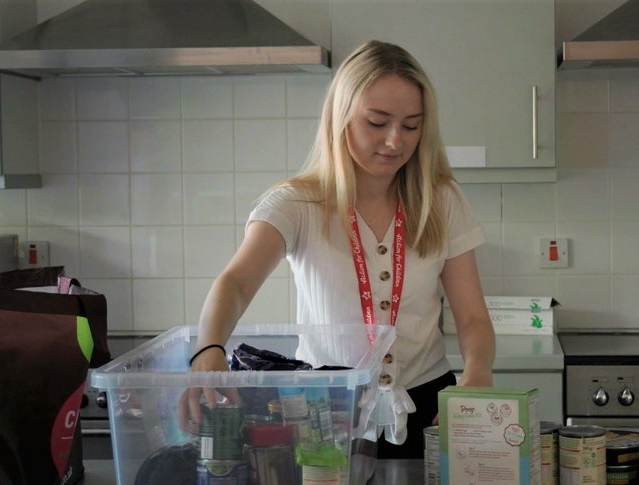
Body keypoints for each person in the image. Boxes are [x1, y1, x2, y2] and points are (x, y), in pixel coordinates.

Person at [179, 40, 495, 459]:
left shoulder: (440, 201)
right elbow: (236, 282)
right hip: (323, 410)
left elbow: (472, 316)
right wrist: (209, 350)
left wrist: (475, 377)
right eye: (377, 122)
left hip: (431, 405)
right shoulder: (297, 204)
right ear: (340, 116)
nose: (395, 141)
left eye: (412, 125)